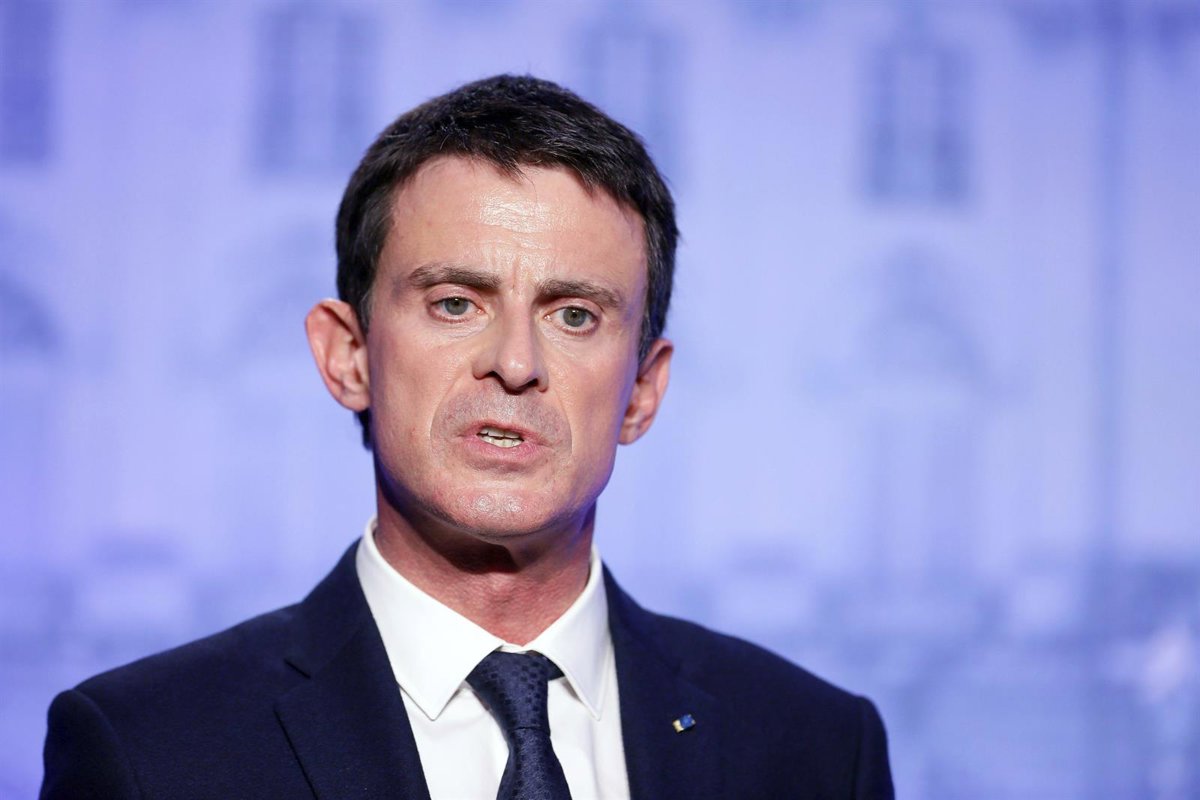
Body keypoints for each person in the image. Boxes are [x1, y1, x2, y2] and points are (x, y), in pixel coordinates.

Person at [41, 74, 893, 799]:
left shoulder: (815, 749)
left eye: (574, 314)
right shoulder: (149, 751)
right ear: (348, 356)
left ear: (643, 389)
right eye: (455, 303)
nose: (515, 364)